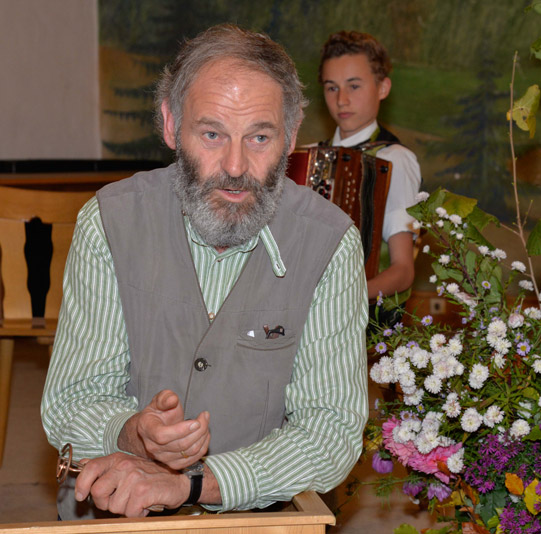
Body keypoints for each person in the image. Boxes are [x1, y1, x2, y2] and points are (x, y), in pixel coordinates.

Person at [40, 24, 368, 520]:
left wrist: (194, 483)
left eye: (260, 136)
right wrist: (133, 433)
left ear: (292, 135)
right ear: (171, 124)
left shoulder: (330, 244)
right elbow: (69, 403)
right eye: (212, 134)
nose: (235, 166)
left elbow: (330, 432)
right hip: (111, 514)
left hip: (258, 520)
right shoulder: (109, 221)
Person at [318, 30, 422, 326]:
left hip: (363, 324)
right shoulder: (309, 157)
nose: (342, 100)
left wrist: (339, 301)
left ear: (383, 87)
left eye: (354, 86)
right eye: (331, 88)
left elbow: (403, 270)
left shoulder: (393, 160)